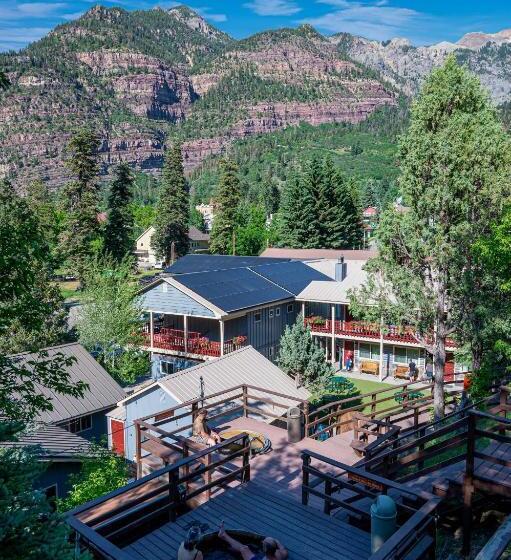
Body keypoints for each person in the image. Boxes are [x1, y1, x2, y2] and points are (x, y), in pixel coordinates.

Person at [218, 522, 288, 560]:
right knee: (244, 549)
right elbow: (280, 545)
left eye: (263, 542)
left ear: (264, 549)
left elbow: (275, 541)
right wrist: (274, 541)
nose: (262, 542)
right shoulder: (281, 553)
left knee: (243, 548)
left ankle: (223, 535)